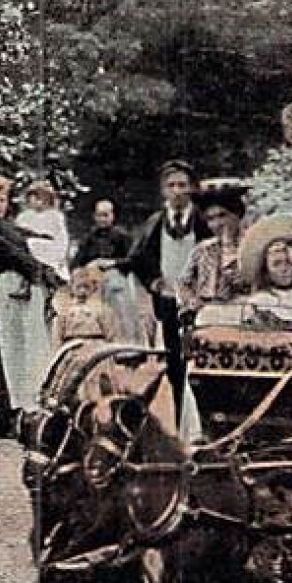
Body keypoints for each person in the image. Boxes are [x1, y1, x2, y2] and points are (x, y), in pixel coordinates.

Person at [0, 176, 65, 440]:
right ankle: (7, 415)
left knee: (26, 347)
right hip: (6, 289)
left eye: (2, 200)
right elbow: (14, 256)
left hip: (24, 289)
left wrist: (44, 270)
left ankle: (23, 410)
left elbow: (27, 244)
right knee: (7, 349)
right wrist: (41, 271)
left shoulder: (9, 227)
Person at [120, 160, 211, 403]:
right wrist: (154, 283)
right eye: (171, 185)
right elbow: (138, 258)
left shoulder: (203, 222)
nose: (177, 191)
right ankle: (178, 407)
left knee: (199, 358)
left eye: (182, 185)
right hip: (169, 301)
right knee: (174, 358)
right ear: (164, 190)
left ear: (191, 188)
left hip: (200, 302)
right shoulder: (156, 223)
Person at [176, 183, 249, 321]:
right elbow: (183, 283)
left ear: (237, 214)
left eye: (222, 216)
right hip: (207, 319)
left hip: (243, 317)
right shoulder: (202, 249)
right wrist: (191, 300)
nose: (217, 224)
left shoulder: (253, 247)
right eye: (210, 219)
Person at [232, 214, 292, 327]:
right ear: (265, 267)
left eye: (290, 263)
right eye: (277, 264)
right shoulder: (261, 301)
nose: (284, 269)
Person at [73, 198, 138, 342]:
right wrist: (87, 267)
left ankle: (127, 347)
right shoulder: (89, 238)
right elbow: (77, 261)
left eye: (105, 215)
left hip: (118, 282)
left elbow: (133, 260)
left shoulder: (122, 236)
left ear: (112, 216)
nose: (102, 219)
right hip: (93, 284)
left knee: (120, 306)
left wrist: (111, 263)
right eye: (99, 215)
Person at [16, 180, 71, 283]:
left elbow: (62, 240)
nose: (38, 201)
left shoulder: (56, 216)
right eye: (34, 197)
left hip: (49, 249)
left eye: (41, 197)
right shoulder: (23, 217)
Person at [52, 264, 121, 343]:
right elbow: (57, 341)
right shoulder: (64, 312)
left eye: (86, 286)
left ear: (93, 286)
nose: (82, 290)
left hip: (98, 348)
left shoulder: (103, 310)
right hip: (72, 349)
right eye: (79, 286)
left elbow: (113, 337)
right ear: (71, 286)